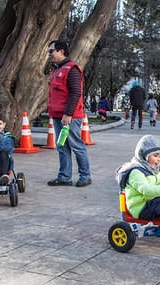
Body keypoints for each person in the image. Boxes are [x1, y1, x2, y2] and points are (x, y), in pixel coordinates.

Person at [46, 40, 92, 187]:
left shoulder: (72, 69)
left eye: (51, 51)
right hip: (58, 115)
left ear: (61, 51)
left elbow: (75, 93)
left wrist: (68, 113)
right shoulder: (55, 70)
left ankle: (85, 175)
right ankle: (64, 176)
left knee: (76, 145)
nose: (49, 54)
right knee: (62, 146)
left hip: (69, 116)